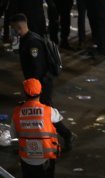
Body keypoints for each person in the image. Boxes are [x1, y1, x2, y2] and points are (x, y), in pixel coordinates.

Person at [10, 13, 75, 153]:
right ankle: (39, 141)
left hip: (40, 85)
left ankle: (66, 135)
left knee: (46, 113)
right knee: (40, 114)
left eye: (14, 28)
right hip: (35, 85)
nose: (13, 31)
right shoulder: (27, 39)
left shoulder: (32, 43)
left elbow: (37, 69)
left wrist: (34, 91)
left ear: (19, 27)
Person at [10, 79, 64, 178]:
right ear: (40, 92)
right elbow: (59, 119)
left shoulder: (17, 112)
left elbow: (13, 135)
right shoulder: (48, 111)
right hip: (45, 161)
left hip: (27, 159)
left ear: (24, 93)